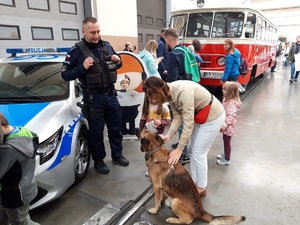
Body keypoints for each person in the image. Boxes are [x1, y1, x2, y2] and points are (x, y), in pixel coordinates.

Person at [61, 16, 129, 175]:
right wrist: (82, 68)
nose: (96, 35)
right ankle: (99, 161)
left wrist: (118, 61)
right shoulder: (77, 51)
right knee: (96, 133)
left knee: (115, 128)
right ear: (83, 31)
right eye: (92, 32)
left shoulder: (107, 46)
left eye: (98, 31)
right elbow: (65, 75)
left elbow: (116, 64)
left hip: (111, 95)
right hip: (93, 99)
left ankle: (117, 155)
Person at [143, 77, 225, 197]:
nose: (152, 100)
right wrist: (169, 135)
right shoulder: (169, 93)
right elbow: (177, 117)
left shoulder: (183, 93)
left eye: (153, 96)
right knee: (192, 149)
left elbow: (188, 122)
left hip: (213, 117)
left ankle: (201, 188)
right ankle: (196, 182)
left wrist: (180, 149)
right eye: (149, 97)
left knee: (198, 152)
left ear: (160, 90)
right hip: (200, 116)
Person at [0, 112, 40, 225]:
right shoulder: (22, 131)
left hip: (15, 195)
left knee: (21, 222)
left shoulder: (8, 150)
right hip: (25, 185)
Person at [164, 28, 190, 162]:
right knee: (185, 119)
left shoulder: (174, 54)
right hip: (189, 87)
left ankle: (183, 152)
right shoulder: (185, 50)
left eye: (165, 40)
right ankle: (183, 144)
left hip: (179, 92)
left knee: (180, 120)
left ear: (168, 40)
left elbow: (172, 78)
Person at [217, 82, 242, 166]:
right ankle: (225, 153)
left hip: (229, 127)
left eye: (224, 89)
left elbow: (231, 116)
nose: (222, 90)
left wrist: (224, 125)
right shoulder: (226, 99)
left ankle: (227, 159)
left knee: (227, 142)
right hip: (226, 125)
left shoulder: (231, 103)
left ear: (230, 92)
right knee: (225, 140)